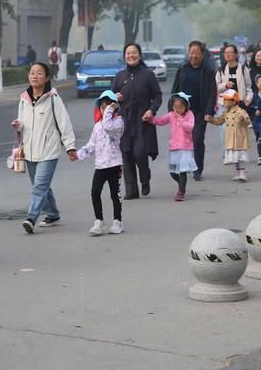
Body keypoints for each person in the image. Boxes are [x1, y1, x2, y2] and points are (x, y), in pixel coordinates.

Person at [12, 62, 77, 233]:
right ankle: (53, 214)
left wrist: (70, 147)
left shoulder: (53, 99)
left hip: (49, 150)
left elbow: (64, 123)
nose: (35, 76)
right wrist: (18, 125)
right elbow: (22, 121)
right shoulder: (23, 99)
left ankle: (31, 218)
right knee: (41, 185)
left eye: (39, 73)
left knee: (39, 186)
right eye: (32, 72)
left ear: (47, 77)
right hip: (30, 151)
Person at [111, 43, 162, 199]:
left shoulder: (148, 75)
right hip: (124, 119)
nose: (131, 55)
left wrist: (151, 110)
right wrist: (115, 98)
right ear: (124, 56)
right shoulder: (120, 76)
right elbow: (110, 96)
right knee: (126, 153)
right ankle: (131, 190)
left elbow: (158, 96)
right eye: (128, 53)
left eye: (134, 53)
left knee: (140, 152)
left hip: (142, 119)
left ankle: (145, 179)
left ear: (139, 55)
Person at [77, 90, 124, 235]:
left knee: (114, 194)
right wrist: (77, 155)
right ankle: (99, 221)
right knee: (95, 192)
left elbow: (108, 126)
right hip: (101, 165)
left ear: (114, 108)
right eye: (103, 107)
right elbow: (91, 145)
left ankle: (117, 221)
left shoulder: (118, 122)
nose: (105, 110)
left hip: (114, 164)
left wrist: (111, 107)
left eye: (108, 107)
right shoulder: (97, 126)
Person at [171, 40, 217, 181]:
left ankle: (198, 168)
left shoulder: (208, 71)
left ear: (202, 55)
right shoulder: (182, 69)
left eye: (197, 53)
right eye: (191, 52)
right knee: (182, 140)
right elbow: (175, 90)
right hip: (182, 112)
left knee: (197, 139)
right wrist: (172, 109)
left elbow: (211, 93)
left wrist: (208, 112)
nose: (194, 55)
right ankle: (182, 166)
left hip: (199, 112)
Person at [152, 92, 196, 201]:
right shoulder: (171, 115)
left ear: (186, 106)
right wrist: (150, 119)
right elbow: (161, 121)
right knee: (172, 172)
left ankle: (181, 191)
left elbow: (190, 127)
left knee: (182, 171)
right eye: (175, 107)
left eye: (180, 108)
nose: (177, 110)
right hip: (174, 147)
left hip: (185, 147)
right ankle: (182, 184)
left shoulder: (189, 115)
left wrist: (180, 119)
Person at [215, 44, 253, 159]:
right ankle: (226, 154)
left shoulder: (243, 69)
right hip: (224, 104)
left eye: (230, 52)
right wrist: (225, 85)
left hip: (239, 105)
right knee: (224, 130)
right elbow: (215, 86)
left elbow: (249, 87)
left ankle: (238, 154)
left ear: (235, 54)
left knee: (239, 130)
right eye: (226, 52)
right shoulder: (221, 69)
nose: (227, 54)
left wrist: (248, 99)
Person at [207, 90, 250, 182]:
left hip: (239, 137)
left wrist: (243, 119)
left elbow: (247, 121)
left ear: (234, 101)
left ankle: (242, 173)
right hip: (230, 137)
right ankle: (238, 172)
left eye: (227, 100)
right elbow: (219, 121)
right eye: (224, 100)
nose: (224, 102)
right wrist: (211, 120)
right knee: (235, 157)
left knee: (239, 156)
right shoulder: (226, 112)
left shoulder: (240, 111)